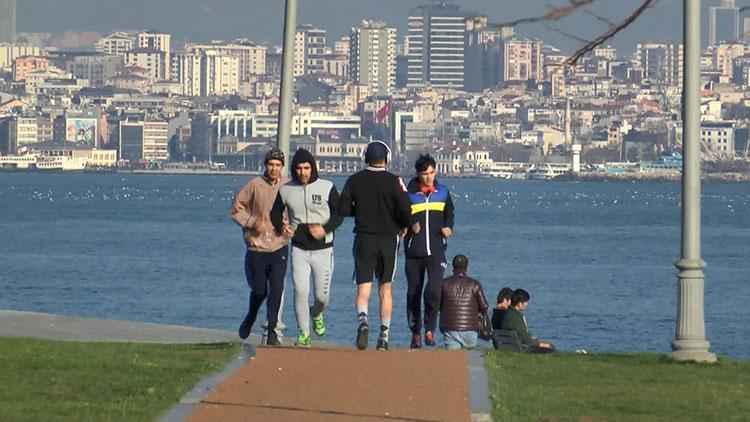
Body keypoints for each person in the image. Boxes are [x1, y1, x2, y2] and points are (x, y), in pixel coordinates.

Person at [338, 140, 411, 351]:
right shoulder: (395, 181)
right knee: (385, 288)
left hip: (364, 237)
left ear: (365, 158)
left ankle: (363, 320)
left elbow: (343, 208)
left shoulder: (354, 180)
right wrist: (404, 225)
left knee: (363, 287)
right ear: (386, 159)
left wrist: (358, 211)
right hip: (388, 238)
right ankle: (384, 337)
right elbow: (406, 208)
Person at [270, 148, 343, 347]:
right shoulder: (286, 190)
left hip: (324, 248)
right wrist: (281, 227)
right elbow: (275, 213)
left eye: (307, 168)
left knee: (322, 296)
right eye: (299, 168)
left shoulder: (327, 187)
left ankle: (317, 313)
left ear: (313, 168)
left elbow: (339, 214)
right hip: (299, 249)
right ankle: (304, 334)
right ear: (294, 169)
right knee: (300, 291)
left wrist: (325, 228)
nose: (303, 172)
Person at [230, 148, 289, 345]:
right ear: (265, 166)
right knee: (259, 290)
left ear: (282, 167)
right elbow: (236, 209)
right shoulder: (254, 185)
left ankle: (272, 331)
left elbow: (297, 211)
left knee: (277, 288)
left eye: (277, 165)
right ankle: (251, 316)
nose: (274, 168)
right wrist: (251, 221)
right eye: (271, 164)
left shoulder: (288, 185)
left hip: (279, 246)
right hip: (256, 247)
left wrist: (291, 227)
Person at [404, 154, 454, 348]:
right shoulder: (408, 193)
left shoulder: (442, 191)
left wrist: (449, 227)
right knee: (414, 293)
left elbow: (449, 211)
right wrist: (410, 225)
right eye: (424, 174)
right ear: (418, 174)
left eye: (432, 172)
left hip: (436, 251)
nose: (428, 177)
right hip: (413, 252)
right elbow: (399, 214)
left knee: (433, 290)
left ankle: (429, 329)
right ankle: (415, 332)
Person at [439, 254, 489, 350]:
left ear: (452, 267)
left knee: (454, 359)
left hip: (450, 326)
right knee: (469, 359)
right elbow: (484, 306)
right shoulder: (475, 284)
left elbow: (438, 305)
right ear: (467, 268)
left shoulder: (443, 283)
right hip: (470, 327)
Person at [501, 289, 555, 353]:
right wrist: (538, 343)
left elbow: (520, 334)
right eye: (525, 302)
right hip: (521, 348)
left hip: (509, 345)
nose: (527, 304)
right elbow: (525, 339)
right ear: (519, 304)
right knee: (550, 346)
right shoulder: (516, 318)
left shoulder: (507, 314)